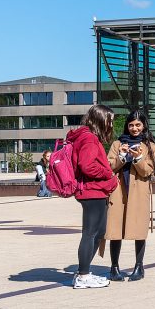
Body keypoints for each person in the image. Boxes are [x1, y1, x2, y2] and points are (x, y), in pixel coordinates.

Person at [66, 104, 118, 289]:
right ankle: (82, 275)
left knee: (98, 233)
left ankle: (84, 272)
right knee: (90, 233)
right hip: (92, 191)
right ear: (100, 119)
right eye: (109, 120)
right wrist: (108, 174)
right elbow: (87, 166)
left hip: (94, 190)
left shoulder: (88, 137)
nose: (111, 124)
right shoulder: (88, 139)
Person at [104, 111, 155, 281]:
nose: (134, 128)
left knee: (139, 230)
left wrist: (138, 158)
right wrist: (121, 156)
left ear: (144, 126)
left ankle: (139, 267)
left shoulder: (151, 146)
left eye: (138, 125)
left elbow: (147, 171)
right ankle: (114, 268)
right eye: (131, 125)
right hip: (118, 191)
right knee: (115, 229)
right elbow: (109, 167)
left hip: (139, 193)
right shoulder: (117, 144)